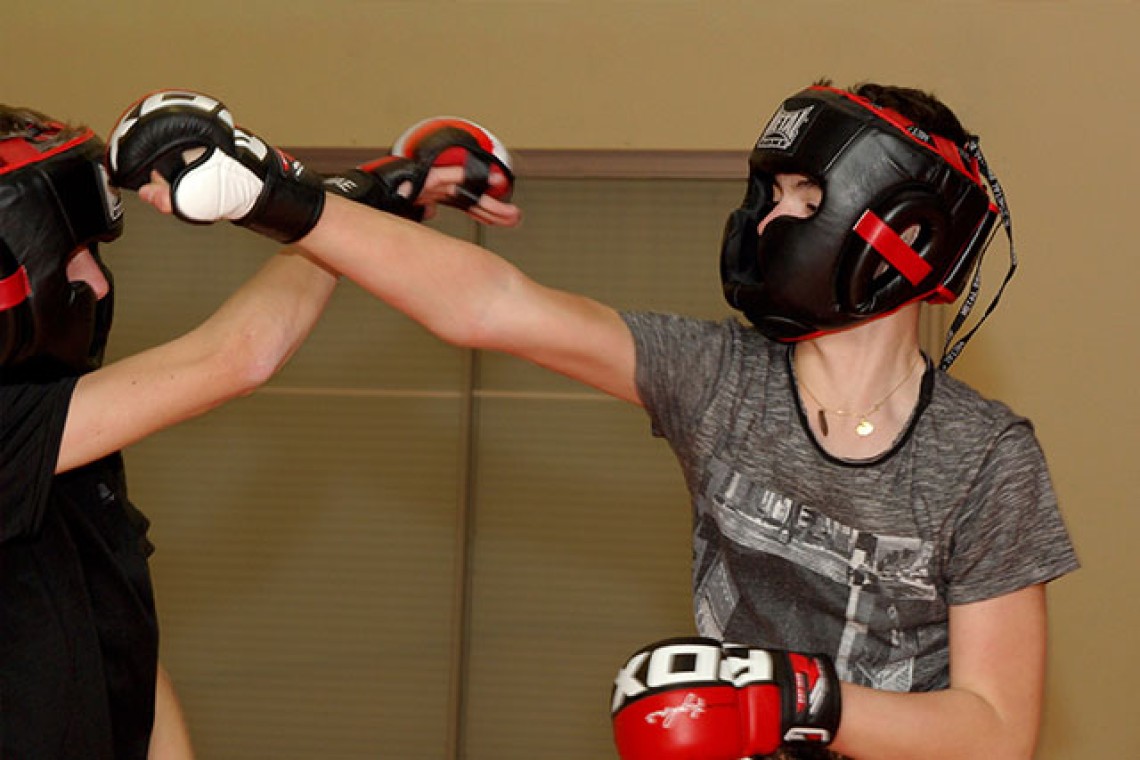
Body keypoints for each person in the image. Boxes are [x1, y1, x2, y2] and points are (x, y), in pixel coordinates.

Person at [112, 81, 1078, 759]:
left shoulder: (985, 459)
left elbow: (994, 728)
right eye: (769, 195)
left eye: (806, 198)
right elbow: (492, 305)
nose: (770, 220)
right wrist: (274, 195)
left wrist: (794, 701)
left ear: (902, 233)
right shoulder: (720, 380)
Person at [0, 99, 518, 759]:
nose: (98, 286)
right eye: (70, 260)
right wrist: (356, 201)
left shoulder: (63, 434)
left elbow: (120, 645)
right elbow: (237, 356)